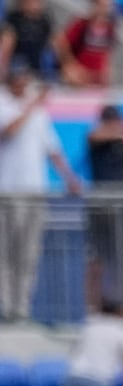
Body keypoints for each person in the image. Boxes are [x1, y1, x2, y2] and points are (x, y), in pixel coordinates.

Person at [0, 61, 79, 322]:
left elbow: (52, 149)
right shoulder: (4, 103)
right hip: (8, 191)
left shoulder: (39, 113)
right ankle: (5, 306)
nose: (23, 83)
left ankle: (21, 308)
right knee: (5, 252)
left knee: (29, 253)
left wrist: (69, 178)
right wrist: (33, 106)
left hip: (35, 191)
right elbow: (9, 131)